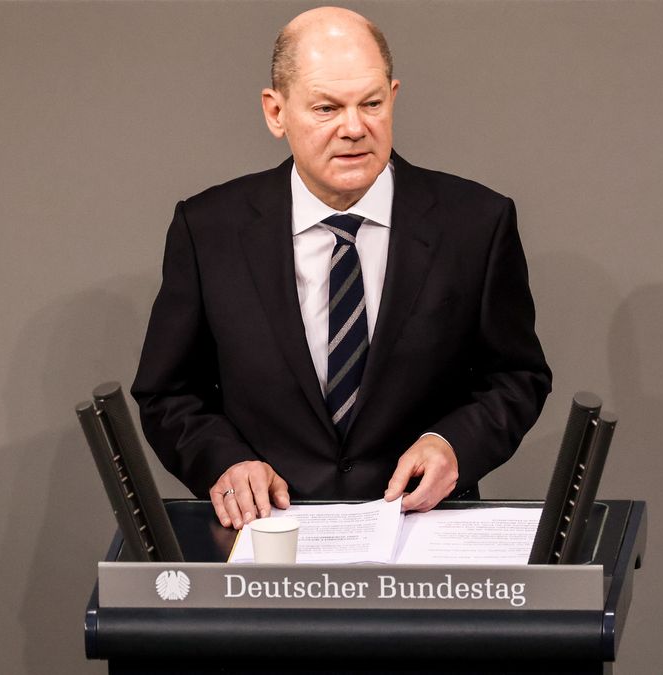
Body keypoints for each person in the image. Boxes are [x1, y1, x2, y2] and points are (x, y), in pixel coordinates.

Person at [132, 6, 550, 530]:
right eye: (327, 108)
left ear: (393, 97)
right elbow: (167, 391)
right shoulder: (208, 229)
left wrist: (452, 446)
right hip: (268, 535)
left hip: (421, 534)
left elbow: (517, 376)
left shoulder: (476, 223)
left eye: (371, 104)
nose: (354, 128)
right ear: (276, 112)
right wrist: (225, 462)